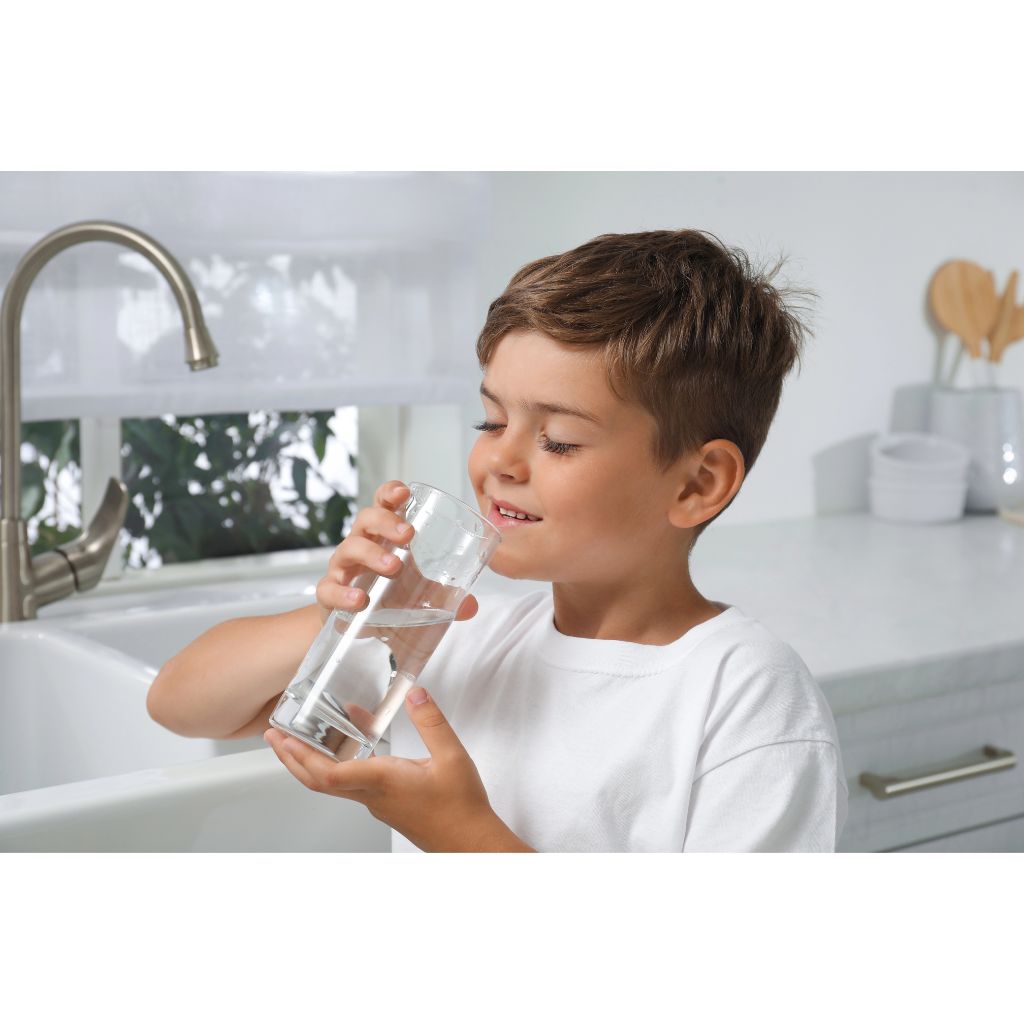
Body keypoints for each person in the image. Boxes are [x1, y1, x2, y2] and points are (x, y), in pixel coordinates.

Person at [147, 229, 848, 852]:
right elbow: (180, 704)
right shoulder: (459, 638)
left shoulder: (744, 697)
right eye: (491, 422)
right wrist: (354, 614)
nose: (500, 461)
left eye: (559, 440)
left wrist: (462, 838)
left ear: (697, 483)